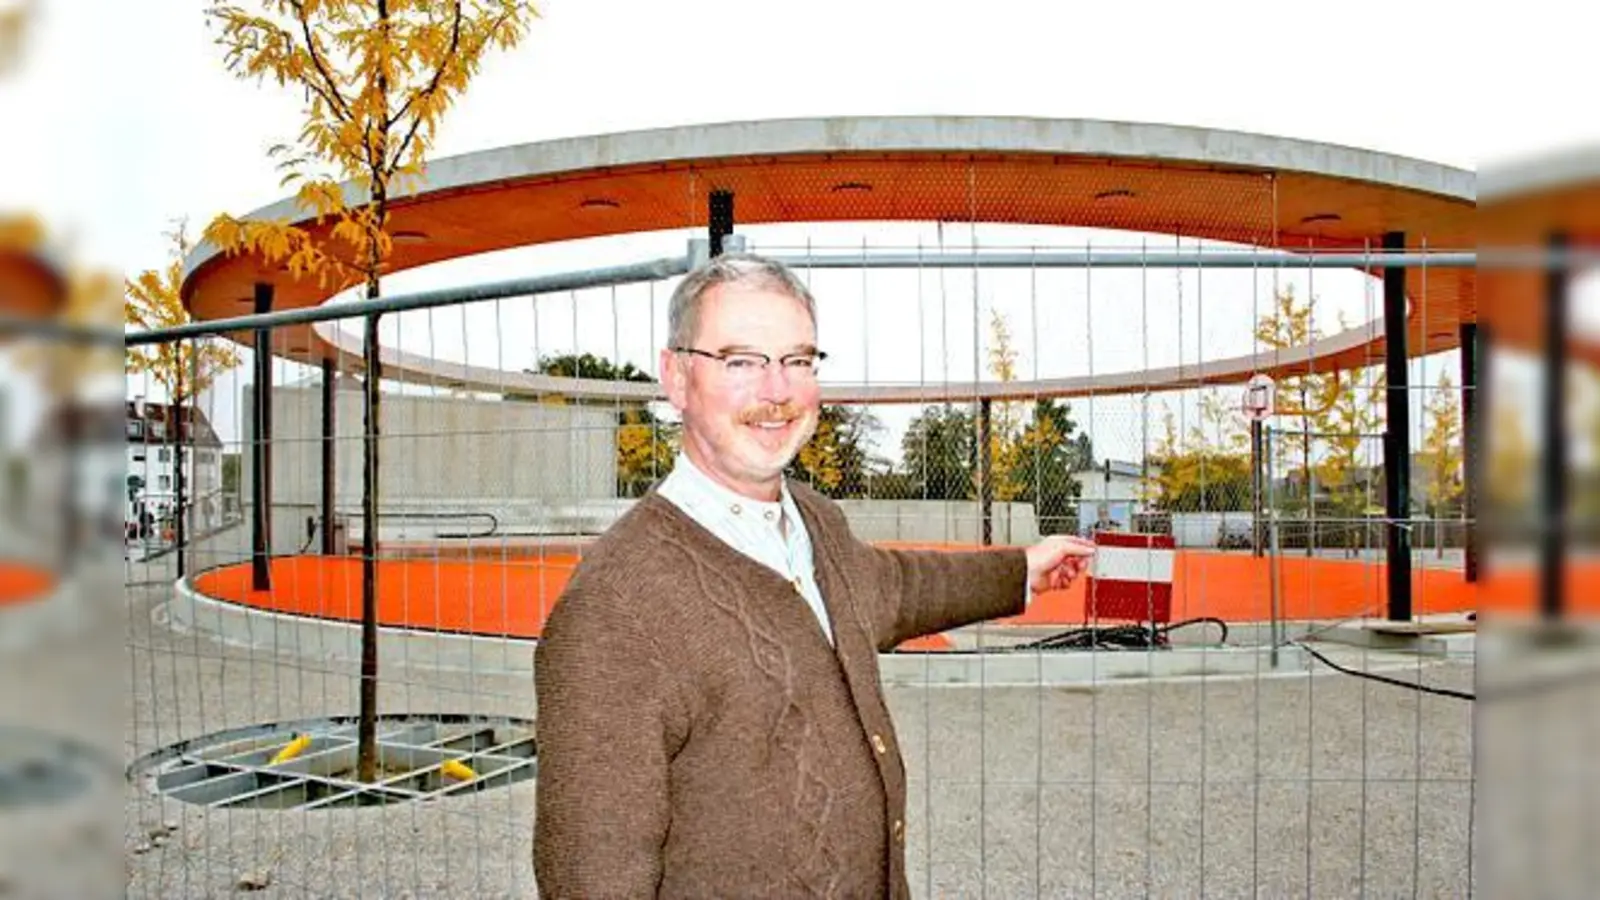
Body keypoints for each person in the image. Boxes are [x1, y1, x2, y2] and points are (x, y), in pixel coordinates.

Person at [533, 252, 1095, 899]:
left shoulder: (814, 521)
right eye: (741, 360)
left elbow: (896, 586)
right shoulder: (614, 607)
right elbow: (591, 876)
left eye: (798, 360)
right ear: (678, 377)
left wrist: (1024, 570)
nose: (777, 392)